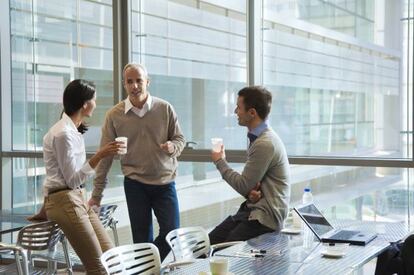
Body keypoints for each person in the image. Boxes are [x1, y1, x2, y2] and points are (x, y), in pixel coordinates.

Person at [88, 63, 185, 260]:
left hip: (165, 182)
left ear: (147, 82)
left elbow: (180, 139)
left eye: (139, 80)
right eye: (129, 81)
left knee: (171, 233)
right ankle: (146, 266)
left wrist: (172, 147)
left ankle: (143, 263)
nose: (135, 86)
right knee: (141, 240)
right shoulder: (114, 115)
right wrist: (96, 195)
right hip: (135, 184)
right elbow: (105, 157)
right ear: (124, 84)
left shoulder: (164, 108)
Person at [42, 79, 122, 274]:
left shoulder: (73, 131)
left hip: (76, 198)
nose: (96, 103)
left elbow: (62, 178)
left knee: (111, 259)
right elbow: (71, 180)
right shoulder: (63, 134)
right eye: (94, 99)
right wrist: (101, 155)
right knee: (98, 267)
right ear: (85, 103)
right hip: (66, 200)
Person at [209, 86, 290, 244]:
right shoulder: (260, 139)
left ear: (252, 112)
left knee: (222, 252)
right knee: (208, 244)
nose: (235, 112)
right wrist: (250, 194)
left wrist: (219, 160)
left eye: (239, 107)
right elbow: (251, 187)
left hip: (265, 217)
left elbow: (244, 185)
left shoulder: (264, 144)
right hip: (252, 210)